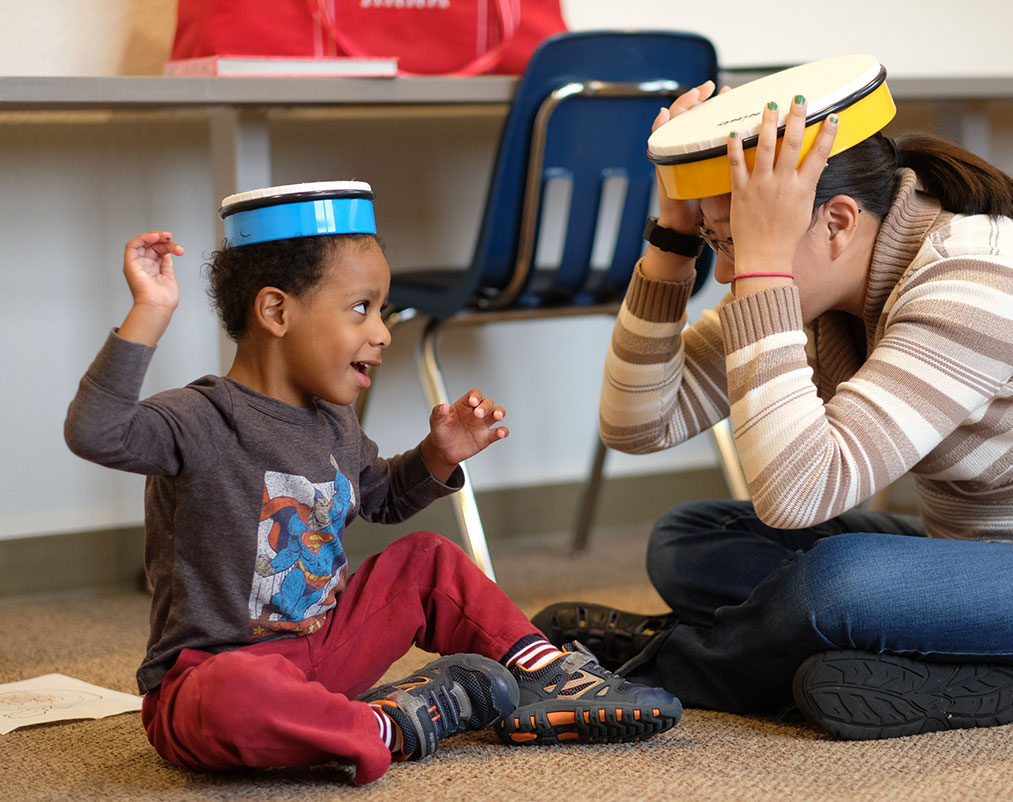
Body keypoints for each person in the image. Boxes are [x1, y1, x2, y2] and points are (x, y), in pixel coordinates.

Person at [533, 81, 1013, 741]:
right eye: (720, 243)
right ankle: (916, 671)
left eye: (738, 243)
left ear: (840, 221)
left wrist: (765, 267)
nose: (731, 275)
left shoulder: (978, 281)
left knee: (836, 584)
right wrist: (674, 237)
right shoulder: (822, 289)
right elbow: (637, 424)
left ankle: (661, 661)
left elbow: (798, 495)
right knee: (689, 541)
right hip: (979, 557)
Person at [64, 181, 680, 786]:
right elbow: (97, 431)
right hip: (214, 675)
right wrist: (150, 312)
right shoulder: (198, 418)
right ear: (276, 311)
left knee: (428, 559)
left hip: (323, 651)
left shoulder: (333, 419)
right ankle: (384, 725)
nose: (382, 331)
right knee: (230, 697)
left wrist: (437, 457)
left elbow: (380, 497)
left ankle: (545, 675)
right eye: (361, 308)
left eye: (381, 310)